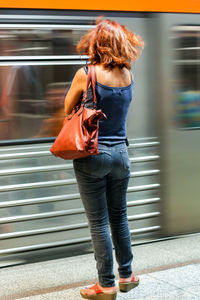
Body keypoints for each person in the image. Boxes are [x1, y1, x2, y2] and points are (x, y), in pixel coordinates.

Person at [64, 18, 144, 300]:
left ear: (96, 43)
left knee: (98, 222)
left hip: (93, 155)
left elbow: (67, 107)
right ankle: (127, 275)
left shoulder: (85, 74)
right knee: (119, 217)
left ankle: (106, 284)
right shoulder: (128, 75)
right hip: (122, 154)